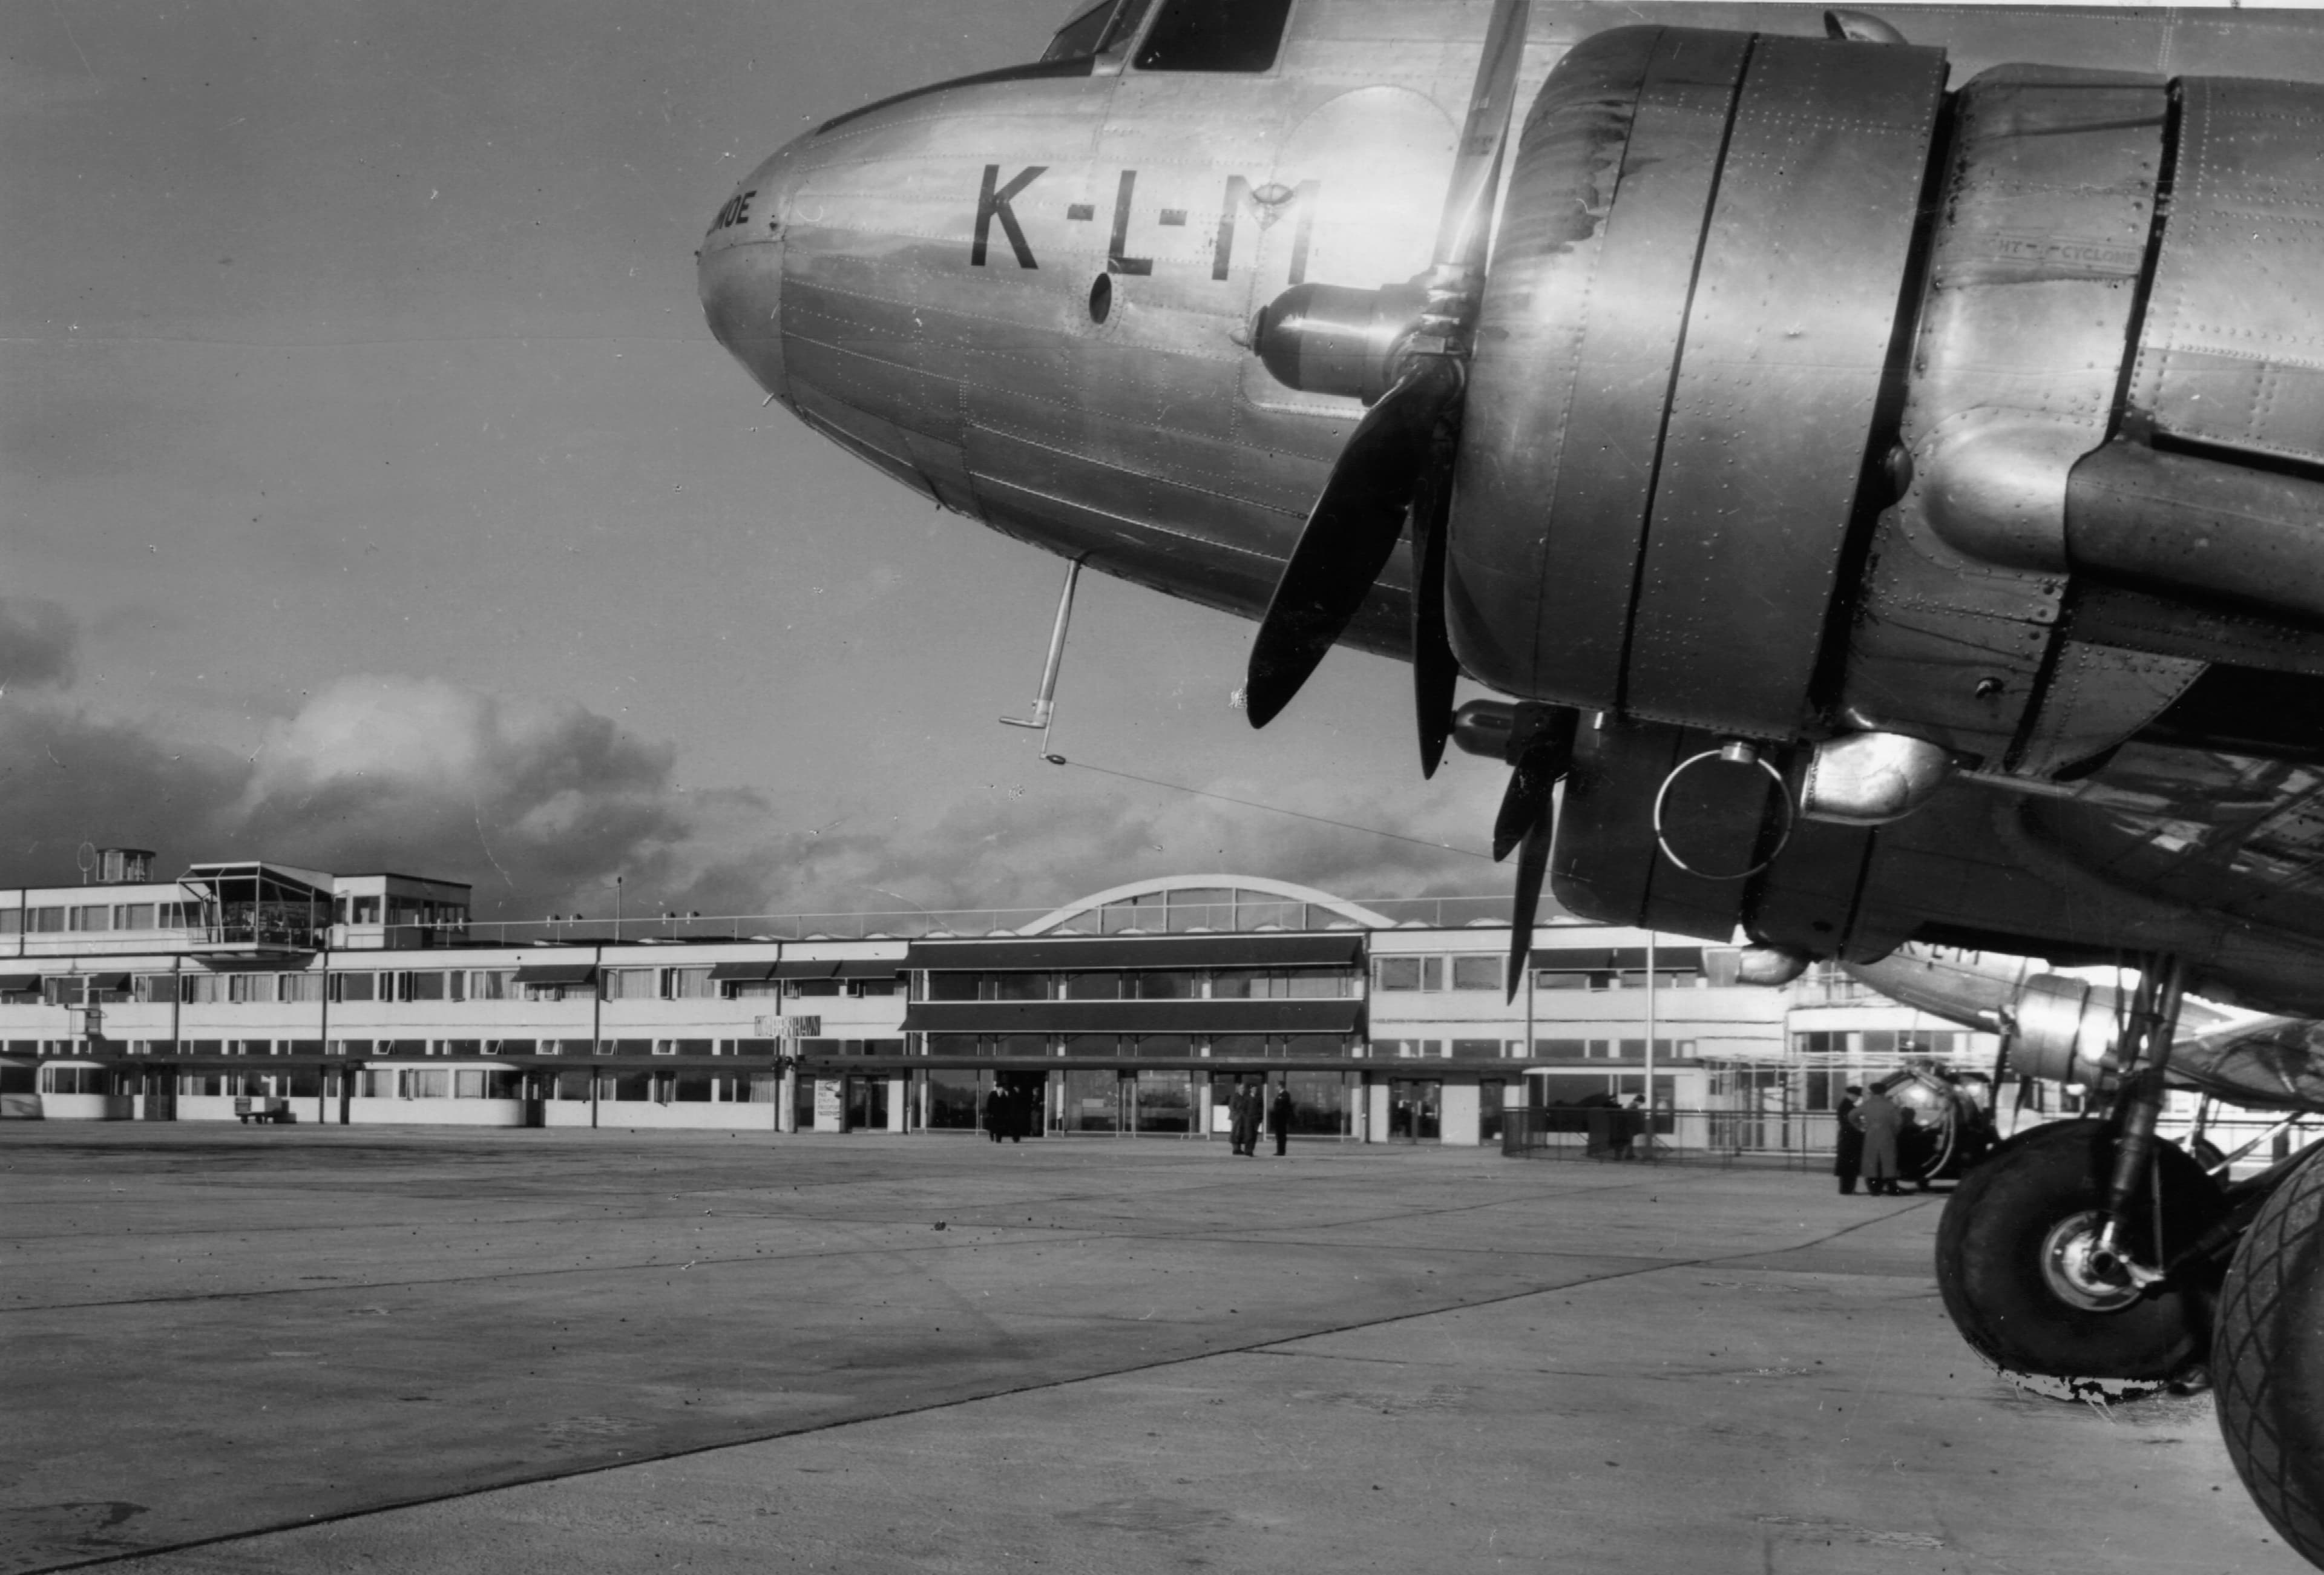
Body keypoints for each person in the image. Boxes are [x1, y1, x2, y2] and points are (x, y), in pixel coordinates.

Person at [1855, 1083, 1904, 1195]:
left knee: (1871, 1162)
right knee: (1888, 1162)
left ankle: (1874, 1189)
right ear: (1884, 1092)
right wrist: (1894, 1132)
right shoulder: (1890, 1105)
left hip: (1871, 1136)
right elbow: (1899, 1122)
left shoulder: (1867, 1104)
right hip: (1887, 1136)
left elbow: (1852, 1115)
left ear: (1871, 1092)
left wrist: (1860, 1127)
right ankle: (1892, 1188)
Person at [1833, 1084, 1865, 1194]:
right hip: (1850, 1139)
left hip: (1847, 1139)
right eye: (1857, 1096)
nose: (1858, 1098)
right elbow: (1851, 1123)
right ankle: (1847, 1189)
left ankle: (1847, 1188)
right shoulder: (1848, 1107)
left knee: (1847, 1166)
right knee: (1850, 1166)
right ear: (1851, 1095)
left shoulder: (1846, 1105)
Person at [1230, 1079, 1261, 1157]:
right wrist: (1236, 1114)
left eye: (1243, 1088)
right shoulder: (1235, 1096)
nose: (1242, 1090)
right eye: (1241, 1088)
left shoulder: (1245, 1097)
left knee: (1242, 1133)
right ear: (1238, 1089)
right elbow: (1231, 1107)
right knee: (1236, 1133)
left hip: (1244, 1118)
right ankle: (1236, 1149)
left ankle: (1240, 1149)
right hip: (1236, 1118)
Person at [1268, 1084, 1293, 1157]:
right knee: (1278, 1135)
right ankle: (1279, 1150)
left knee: (1282, 1135)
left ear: (1281, 1086)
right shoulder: (1279, 1094)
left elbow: (1285, 1106)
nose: (1277, 1087)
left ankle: (1282, 1151)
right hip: (1278, 1118)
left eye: (1278, 1086)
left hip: (1282, 1118)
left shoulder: (1286, 1094)